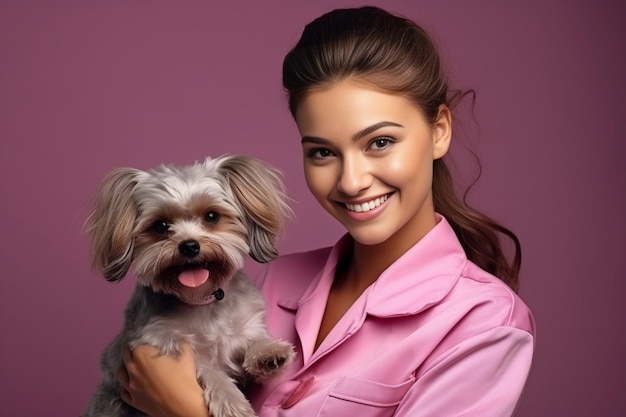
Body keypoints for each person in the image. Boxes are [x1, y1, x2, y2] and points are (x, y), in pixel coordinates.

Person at [116, 6, 535, 417]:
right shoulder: (276, 282)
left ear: (439, 131)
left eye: (380, 142)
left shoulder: (485, 324)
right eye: (322, 152)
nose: (351, 181)